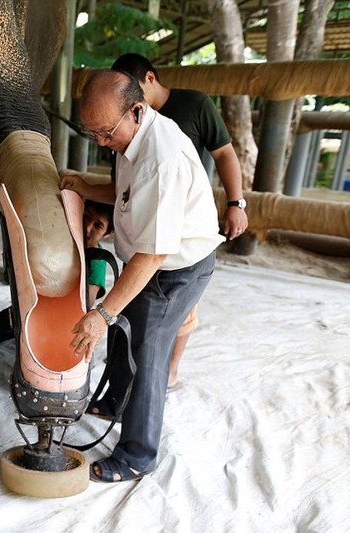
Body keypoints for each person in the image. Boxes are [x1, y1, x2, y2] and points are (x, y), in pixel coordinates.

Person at [60, 70, 224, 482]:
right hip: (147, 261)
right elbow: (126, 195)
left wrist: (100, 312)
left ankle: (137, 454)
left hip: (174, 270)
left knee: (147, 349)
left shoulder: (161, 160)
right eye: (92, 132)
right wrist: (83, 186)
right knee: (123, 328)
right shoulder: (131, 135)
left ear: (137, 109)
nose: (100, 142)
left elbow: (153, 256)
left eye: (105, 132)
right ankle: (115, 400)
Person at [111, 53, 248, 389]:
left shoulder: (194, 105)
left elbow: (225, 153)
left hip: (185, 223)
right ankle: (132, 381)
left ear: (150, 79)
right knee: (138, 310)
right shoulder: (123, 118)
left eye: (132, 89)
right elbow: (124, 185)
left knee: (179, 310)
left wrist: (236, 202)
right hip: (145, 220)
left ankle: (169, 371)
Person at [0, 200, 114, 346]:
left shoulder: (98, 259)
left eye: (98, 226)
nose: (88, 227)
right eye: (86, 217)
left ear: (107, 233)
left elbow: (87, 301)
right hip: (33, 304)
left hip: (61, 317)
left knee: (39, 351)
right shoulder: (62, 240)